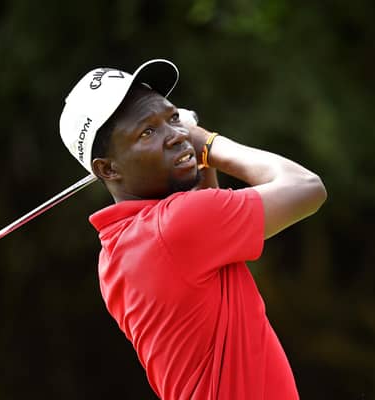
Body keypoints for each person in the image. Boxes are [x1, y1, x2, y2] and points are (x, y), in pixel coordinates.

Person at [59, 59, 326, 400]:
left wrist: (189, 151)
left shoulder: (115, 252)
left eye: (172, 118)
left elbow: (205, 212)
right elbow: (307, 188)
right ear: (108, 169)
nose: (176, 135)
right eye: (147, 131)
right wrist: (207, 142)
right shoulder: (175, 227)